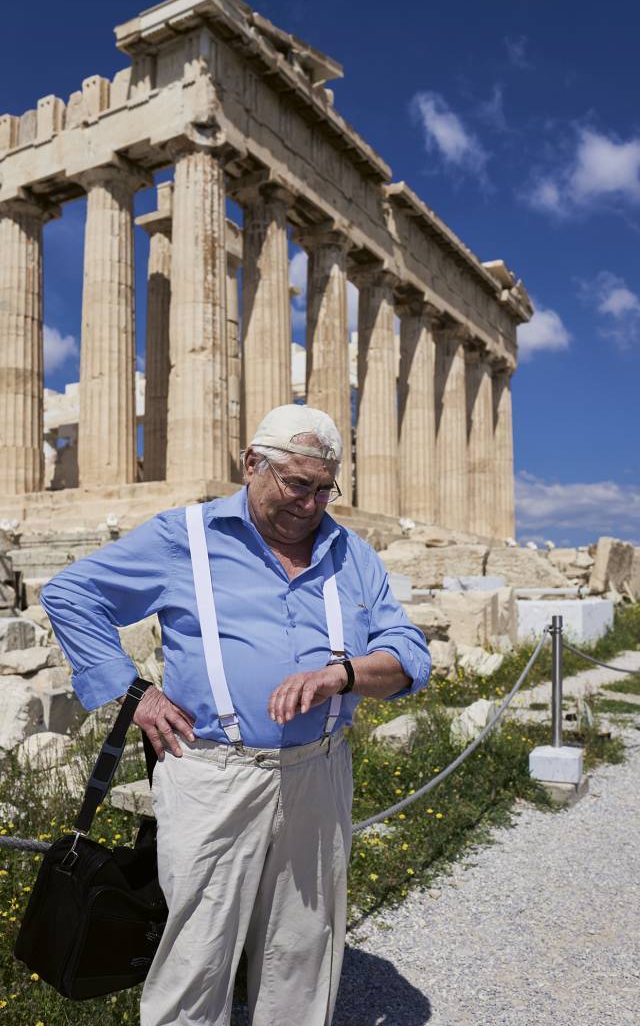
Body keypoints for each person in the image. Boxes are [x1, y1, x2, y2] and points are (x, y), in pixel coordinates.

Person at [40, 404, 431, 1026]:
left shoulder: (351, 552)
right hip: (213, 771)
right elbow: (71, 593)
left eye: (325, 488)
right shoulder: (184, 539)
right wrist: (133, 693)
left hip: (319, 771)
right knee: (197, 951)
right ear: (252, 464)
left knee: (304, 948)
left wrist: (344, 674)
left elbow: (410, 653)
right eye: (297, 484)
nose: (311, 504)